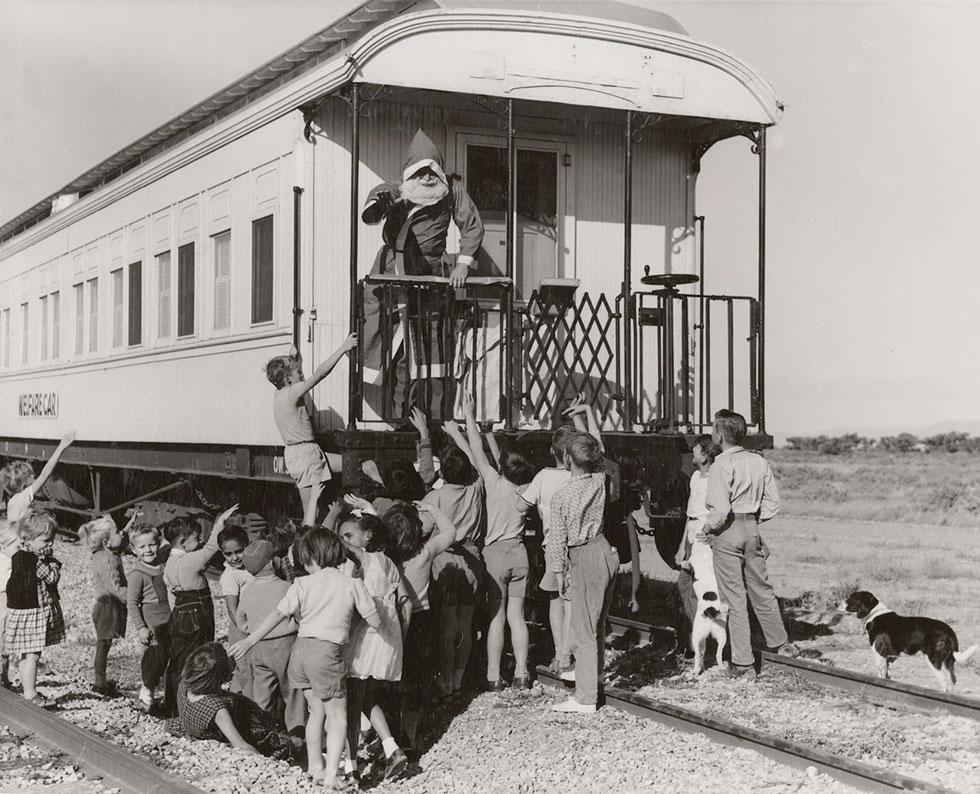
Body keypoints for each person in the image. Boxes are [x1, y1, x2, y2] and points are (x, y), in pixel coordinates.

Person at [229, 529, 379, 790]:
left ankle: (315, 768)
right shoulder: (351, 584)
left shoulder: (301, 583)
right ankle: (332, 775)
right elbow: (375, 620)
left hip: (300, 651)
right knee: (338, 717)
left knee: (316, 713)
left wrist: (249, 641)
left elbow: (277, 614)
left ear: (309, 557)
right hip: (326, 653)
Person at [360, 129, 484, 420]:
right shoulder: (398, 190)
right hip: (394, 276)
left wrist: (463, 264)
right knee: (399, 349)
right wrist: (383, 204)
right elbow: (373, 207)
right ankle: (401, 417)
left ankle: (434, 418)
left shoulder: (451, 191)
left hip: (431, 277)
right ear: (411, 173)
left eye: (433, 171)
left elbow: (472, 225)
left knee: (433, 348)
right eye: (421, 171)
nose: (428, 178)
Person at [700, 412, 797, 677]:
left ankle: (743, 664)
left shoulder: (720, 465)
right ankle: (782, 645)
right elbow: (773, 504)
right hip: (751, 528)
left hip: (728, 530)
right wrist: (753, 520)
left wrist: (707, 527)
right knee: (762, 589)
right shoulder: (758, 461)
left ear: (719, 436)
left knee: (734, 598)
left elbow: (719, 511)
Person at [458, 394, 537, 690]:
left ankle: (493, 675)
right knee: (517, 617)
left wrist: (469, 415)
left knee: (496, 617)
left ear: (502, 467)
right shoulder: (527, 488)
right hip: (519, 554)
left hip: (494, 556)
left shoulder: (492, 482)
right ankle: (521, 672)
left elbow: (476, 450)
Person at [547, 433, 617, 714]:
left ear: (566, 459)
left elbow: (556, 541)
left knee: (582, 630)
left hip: (582, 555)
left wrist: (559, 572)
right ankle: (594, 679)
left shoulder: (561, 496)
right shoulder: (600, 481)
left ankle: (585, 697)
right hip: (604, 549)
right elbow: (602, 454)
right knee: (597, 624)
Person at [337, 512, 408, 781]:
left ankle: (350, 767)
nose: (345, 542)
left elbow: (349, 549)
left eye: (349, 535)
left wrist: (330, 529)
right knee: (367, 698)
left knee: (351, 704)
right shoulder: (390, 562)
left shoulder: (368, 559)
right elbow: (404, 602)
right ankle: (391, 748)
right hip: (386, 638)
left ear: (368, 536)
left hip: (366, 636)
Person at [381, 501, 456, 751]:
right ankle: (410, 739)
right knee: (417, 683)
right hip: (422, 621)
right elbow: (450, 532)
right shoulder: (425, 552)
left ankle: (388, 739)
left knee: (391, 680)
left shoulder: (386, 559)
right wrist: (433, 509)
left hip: (393, 619)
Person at [266, 334, 357, 527]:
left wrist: (294, 358)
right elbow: (320, 374)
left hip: (306, 453)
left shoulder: (280, 394)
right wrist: (343, 347)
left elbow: (294, 374)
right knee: (312, 511)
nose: (302, 376)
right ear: (289, 379)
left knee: (353, 464)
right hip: (306, 455)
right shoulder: (291, 394)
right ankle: (309, 548)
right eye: (299, 373)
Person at [425, 423, 486, 702]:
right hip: (473, 558)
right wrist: (460, 436)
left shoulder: (434, 497)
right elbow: (475, 462)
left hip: (446, 560)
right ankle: (460, 678)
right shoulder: (476, 489)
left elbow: (423, 528)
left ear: (442, 473)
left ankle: (446, 682)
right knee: (466, 624)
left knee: (448, 629)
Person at [161, 504, 238, 715]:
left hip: (180, 614)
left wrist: (175, 616)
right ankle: (192, 702)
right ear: (183, 542)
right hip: (197, 615)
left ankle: (172, 705)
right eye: (196, 538)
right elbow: (212, 548)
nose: (200, 541)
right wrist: (219, 523)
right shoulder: (190, 560)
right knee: (197, 657)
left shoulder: (169, 563)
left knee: (178, 659)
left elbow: (171, 597)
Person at [517, 425, 577, 673]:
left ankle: (559, 653)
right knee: (571, 599)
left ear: (552, 450)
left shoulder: (542, 476)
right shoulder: (577, 475)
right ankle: (568, 653)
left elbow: (521, 507)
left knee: (555, 599)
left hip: (552, 545)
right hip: (575, 544)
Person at [175, 642, 293, 760]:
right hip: (245, 732)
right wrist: (263, 761)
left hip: (195, 725)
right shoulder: (216, 709)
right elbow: (241, 745)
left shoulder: (184, 685)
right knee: (286, 742)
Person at [237, 539, 304, 742]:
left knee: (262, 693)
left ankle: (259, 732)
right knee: (293, 691)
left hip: (258, 647)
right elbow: (299, 616)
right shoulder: (287, 587)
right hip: (286, 645)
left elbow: (241, 621)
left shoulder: (247, 591)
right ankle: (297, 733)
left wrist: (252, 629)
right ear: (270, 563)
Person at [4, 510, 64, 705]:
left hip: (22, 612)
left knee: (26, 653)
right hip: (33, 613)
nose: (50, 544)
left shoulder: (20, 556)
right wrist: (54, 564)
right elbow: (52, 578)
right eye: (46, 541)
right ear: (29, 540)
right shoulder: (35, 561)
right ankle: (30, 693)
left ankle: (28, 690)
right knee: (33, 654)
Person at [78, 514, 132, 695]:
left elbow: (119, 539)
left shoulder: (106, 552)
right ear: (107, 542)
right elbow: (115, 587)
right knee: (103, 643)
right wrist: (132, 599)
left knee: (105, 643)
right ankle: (99, 682)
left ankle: (100, 679)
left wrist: (128, 526)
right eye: (117, 532)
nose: (122, 535)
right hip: (107, 606)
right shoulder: (107, 560)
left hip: (107, 605)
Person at [127, 524, 172, 711]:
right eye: (142, 547)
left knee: (168, 655)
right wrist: (141, 628)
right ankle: (147, 693)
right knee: (152, 659)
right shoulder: (137, 575)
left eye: (152, 545)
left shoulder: (162, 564)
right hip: (151, 620)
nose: (148, 550)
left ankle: (169, 694)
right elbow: (131, 603)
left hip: (168, 616)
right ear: (134, 550)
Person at [1, 431, 76, 522]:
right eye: (32, 478)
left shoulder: (12, 502)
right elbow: (45, 474)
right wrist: (61, 447)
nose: (35, 478)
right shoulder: (24, 496)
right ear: (24, 486)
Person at [218, 524, 253, 696]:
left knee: (249, 670)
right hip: (242, 629)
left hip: (255, 626)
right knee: (244, 670)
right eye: (228, 554)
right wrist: (246, 630)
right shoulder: (231, 575)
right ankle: (241, 705)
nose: (234, 558)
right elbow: (232, 610)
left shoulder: (252, 567)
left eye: (239, 551)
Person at [0, 519, 21, 689]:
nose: (19, 550)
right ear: (4, 544)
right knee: (3, 638)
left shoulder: (9, 559)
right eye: (17, 545)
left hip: (8, 600)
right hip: (4, 600)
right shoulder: (5, 562)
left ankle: (5, 677)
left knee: (6, 640)